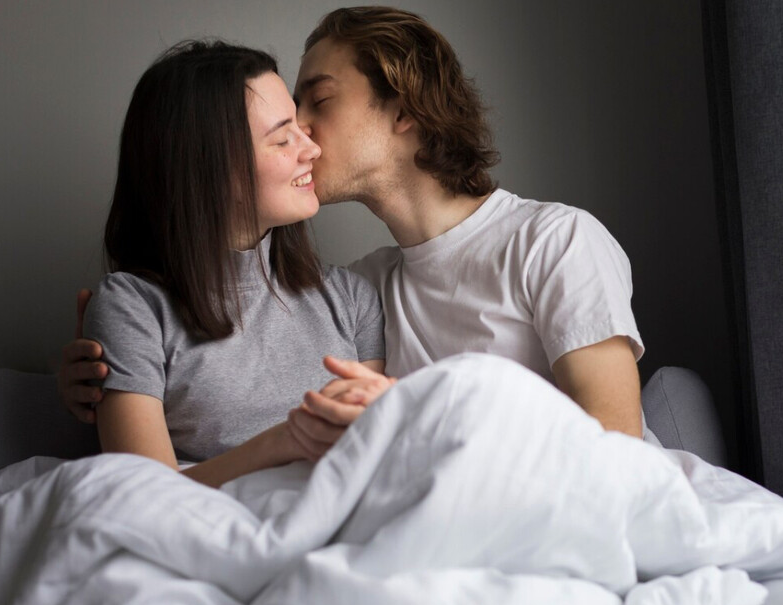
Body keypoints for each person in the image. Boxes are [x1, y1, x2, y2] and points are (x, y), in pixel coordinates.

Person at [60, 6, 645, 451]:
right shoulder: (364, 289)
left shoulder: (554, 241)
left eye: (318, 102)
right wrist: (109, 380)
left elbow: (615, 444)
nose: (303, 133)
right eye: (286, 122)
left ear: (405, 109)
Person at [79, 39, 391, 488]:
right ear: (206, 165)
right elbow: (143, 494)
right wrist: (285, 441)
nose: (311, 149)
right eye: (283, 138)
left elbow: (371, 460)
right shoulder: (133, 309)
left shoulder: (351, 299)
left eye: (301, 129)